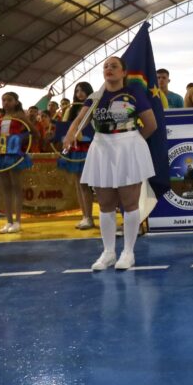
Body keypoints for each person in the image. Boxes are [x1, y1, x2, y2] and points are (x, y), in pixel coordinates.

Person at [64, 56, 158, 271]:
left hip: (128, 147)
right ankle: (108, 252)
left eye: (114, 66)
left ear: (123, 72)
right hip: (101, 148)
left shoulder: (134, 93)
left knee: (129, 201)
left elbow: (151, 124)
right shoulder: (95, 97)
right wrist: (70, 134)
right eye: (105, 66)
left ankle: (128, 252)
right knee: (105, 203)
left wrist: (131, 143)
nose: (109, 69)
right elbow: (79, 121)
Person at [0, 92, 39, 234]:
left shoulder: (21, 117)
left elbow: (35, 133)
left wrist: (22, 141)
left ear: (16, 102)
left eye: (9, 100)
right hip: (1, 155)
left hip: (14, 155)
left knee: (16, 187)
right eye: (3, 100)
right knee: (5, 189)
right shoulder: (0, 118)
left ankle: (17, 221)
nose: (6, 103)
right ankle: (8, 221)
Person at [59, 82, 97, 230]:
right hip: (75, 148)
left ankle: (90, 216)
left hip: (90, 147)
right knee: (79, 183)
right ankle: (85, 216)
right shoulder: (71, 109)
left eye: (83, 90)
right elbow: (65, 128)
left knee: (89, 184)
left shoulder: (95, 106)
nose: (79, 93)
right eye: (77, 91)